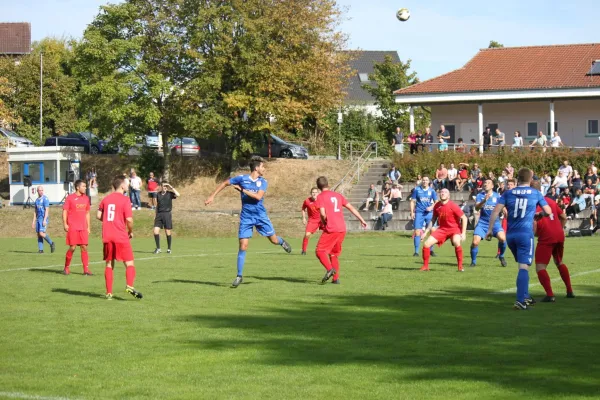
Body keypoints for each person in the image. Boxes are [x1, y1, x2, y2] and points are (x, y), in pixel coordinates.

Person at [204, 156, 292, 287]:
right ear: (256, 168)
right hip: (246, 217)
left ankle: (281, 241)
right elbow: (225, 183)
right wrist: (212, 196)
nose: (264, 169)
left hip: (261, 216)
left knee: (273, 240)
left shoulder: (263, 182)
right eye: (263, 167)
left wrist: (242, 190)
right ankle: (239, 276)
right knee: (243, 245)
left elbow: (258, 197)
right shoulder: (242, 178)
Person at [486, 168, 553, 310]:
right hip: (525, 234)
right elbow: (548, 211)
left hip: (510, 235)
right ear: (530, 179)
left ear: (518, 179)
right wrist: (540, 215)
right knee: (524, 267)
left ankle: (526, 295)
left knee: (522, 265)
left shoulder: (508, 193)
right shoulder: (535, 193)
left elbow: (495, 211)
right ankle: (520, 300)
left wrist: (490, 229)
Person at [97, 175, 143, 300]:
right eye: (127, 183)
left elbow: (98, 215)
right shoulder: (125, 200)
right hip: (120, 235)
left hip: (107, 235)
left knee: (109, 264)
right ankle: (129, 286)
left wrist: (108, 221)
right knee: (129, 263)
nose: (127, 186)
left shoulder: (105, 199)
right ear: (122, 185)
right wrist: (130, 230)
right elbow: (129, 219)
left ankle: (109, 293)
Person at [315, 176, 367, 284]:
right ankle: (336, 279)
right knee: (333, 254)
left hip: (332, 228)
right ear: (327, 184)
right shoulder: (338, 195)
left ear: (318, 187)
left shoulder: (320, 197)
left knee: (320, 251)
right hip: (342, 229)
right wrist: (361, 219)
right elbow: (351, 208)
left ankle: (330, 269)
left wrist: (324, 223)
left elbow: (323, 214)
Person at [531, 180, 574, 302]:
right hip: (559, 235)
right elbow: (564, 217)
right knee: (559, 262)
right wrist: (559, 228)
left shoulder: (533, 204)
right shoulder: (550, 201)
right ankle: (570, 291)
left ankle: (550, 295)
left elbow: (534, 228)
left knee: (540, 267)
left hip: (546, 237)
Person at [420, 189, 467, 272]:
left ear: (448, 196)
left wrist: (463, 233)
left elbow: (464, 218)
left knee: (456, 242)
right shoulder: (437, 205)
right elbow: (433, 219)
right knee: (426, 244)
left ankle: (460, 267)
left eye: (445, 192)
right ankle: (425, 266)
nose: (443, 193)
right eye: (441, 192)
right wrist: (426, 232)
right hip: (442, 229)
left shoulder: (453, 205)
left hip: (454, 229)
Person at [470, 179, 507, 268]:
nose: (486, 184)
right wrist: (484, 201)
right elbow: (477, 208)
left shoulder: (497, 196)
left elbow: (502, 207)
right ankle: (473, 262)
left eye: (488, 183)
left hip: (495, 223)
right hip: (483, 223)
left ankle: (501, 256)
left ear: (492, 186)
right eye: (485, 182)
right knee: (475, 242)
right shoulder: (479, 195)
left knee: (502, 238)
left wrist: (504, 210)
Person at [62, 180, 92, 275]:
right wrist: (65, 224)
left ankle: (86, 270)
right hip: (73, 226)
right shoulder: (70, 198)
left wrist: (88, 227)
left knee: (84, 247)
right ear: (77, 187)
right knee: (73, 247)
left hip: (83, 227)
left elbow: (87, 213)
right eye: (83, 186)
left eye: (85, 186)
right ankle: (66, 267)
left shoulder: (86, 198)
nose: (85, 188)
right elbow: (65, 211)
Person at [410, 177, 437, 257]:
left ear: (429, 182)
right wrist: (412, 212)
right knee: (417, 231)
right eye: (423, 180)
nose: (425, 181)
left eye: (426, 180)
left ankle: (431, 250)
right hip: (419, 213)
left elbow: (436, 202)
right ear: (422, 181)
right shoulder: (417, 190)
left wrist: (431, 207)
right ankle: (416, 252)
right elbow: (412, 201)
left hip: (429, 213)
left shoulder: (432, 191)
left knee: (432, 230)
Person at [153, 182, 180, 254]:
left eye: (166, 186)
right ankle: (158, 248)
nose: (165, 187)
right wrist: (155, 215)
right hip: (159, 214)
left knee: (167, 232)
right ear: (161, 186)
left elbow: (178, 194)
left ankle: (169, 249)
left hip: (167, 214)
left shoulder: (169, 194)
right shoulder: (158, 194)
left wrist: (170, 186)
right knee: (155, 231)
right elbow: (157, 206)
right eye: (163, 186)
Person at [32, 186, 55, 254]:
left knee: (41, 233)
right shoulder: (36, 200)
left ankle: (51, 243)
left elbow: (47, 210)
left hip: (43, 218)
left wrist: (45, 220)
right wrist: (33, 221)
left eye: (42, 190)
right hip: (38, 219)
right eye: (39, 190)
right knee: (38, 234)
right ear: (37, 191)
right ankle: (41, 250)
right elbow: (35, 211)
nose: (41, 191)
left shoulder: (45, 199)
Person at [301, 187, 321, 255]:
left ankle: (331, 250)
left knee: (331, 233)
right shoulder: (307, 201)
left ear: (318, 193)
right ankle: (303, 250)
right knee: (307, 235)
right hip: (312, 221)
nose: (314, 194)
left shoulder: (321, 200)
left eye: (315, 192)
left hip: (321, 220)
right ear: (311, 193)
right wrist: (303, 218)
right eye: (313, 192)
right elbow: (303, 209)